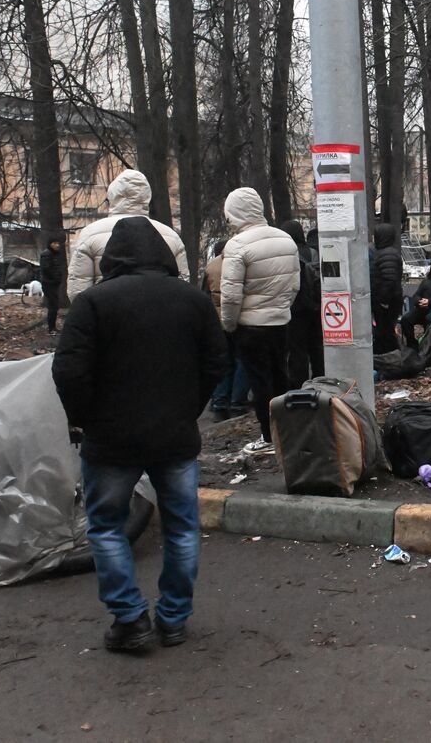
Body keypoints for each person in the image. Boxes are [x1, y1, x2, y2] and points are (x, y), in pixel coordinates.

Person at [52, 217, 227, 652]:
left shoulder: (93, 303)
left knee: (107, 527)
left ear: (112, 257)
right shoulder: (193, 301)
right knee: (183, 528)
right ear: (164, 255)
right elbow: (216, 362)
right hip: (175, 436)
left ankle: (130, 620)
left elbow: (69, 370)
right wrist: (189, 407)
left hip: (111, 439)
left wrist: (83, 419)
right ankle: (173, 620)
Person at [219, 187, 300, 456]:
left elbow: (230, 295)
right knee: (280, 377)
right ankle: (287, 431)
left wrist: (229, 325)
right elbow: (294, 285)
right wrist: (280, 308)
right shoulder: (286, 240)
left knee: (259, 382)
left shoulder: (238, 245)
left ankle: (267, 435)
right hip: (281, 322)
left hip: (250, 326)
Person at [67, 169, 188, 299]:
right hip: (159, 312)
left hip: (108, 312)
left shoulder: (90, 233)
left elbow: (78, 289)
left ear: (112, 195)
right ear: (146, 196)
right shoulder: (170, 235)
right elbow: (183, 284)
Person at [203, 239, 250, 421]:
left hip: (217, 320)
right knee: (242, 361)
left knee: (224, 361)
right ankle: (238, 401)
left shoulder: (211, 266)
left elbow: (205, 294)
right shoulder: (240, 263)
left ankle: (220, 401)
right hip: (239, 318)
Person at [279, 220, 323, 388]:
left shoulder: (288, 255)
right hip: (315, 306)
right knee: (316, 347)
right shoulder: (313, 252)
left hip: (295, 308)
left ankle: (300, 384)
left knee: (298, 350)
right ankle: (321, 380)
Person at [370, 224, 404, 353]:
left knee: (385, 333)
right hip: (386, 301)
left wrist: (384, 301)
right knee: (385, 332)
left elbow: (389, 280)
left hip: (387, 302)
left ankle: (390, 359)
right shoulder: (386, 253)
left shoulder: (387, 254)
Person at [39, 234, 67, 335]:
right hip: (49, 283)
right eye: (54, 243)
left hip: (53, 283)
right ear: (50, 244)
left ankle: (52, 327)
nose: (57, 245)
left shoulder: (55, 254)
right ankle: (51, 328)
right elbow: (46, 269)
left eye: (58, 243)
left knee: (54, 305)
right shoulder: (47, 254)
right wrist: (55, 277)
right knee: (53, 306)